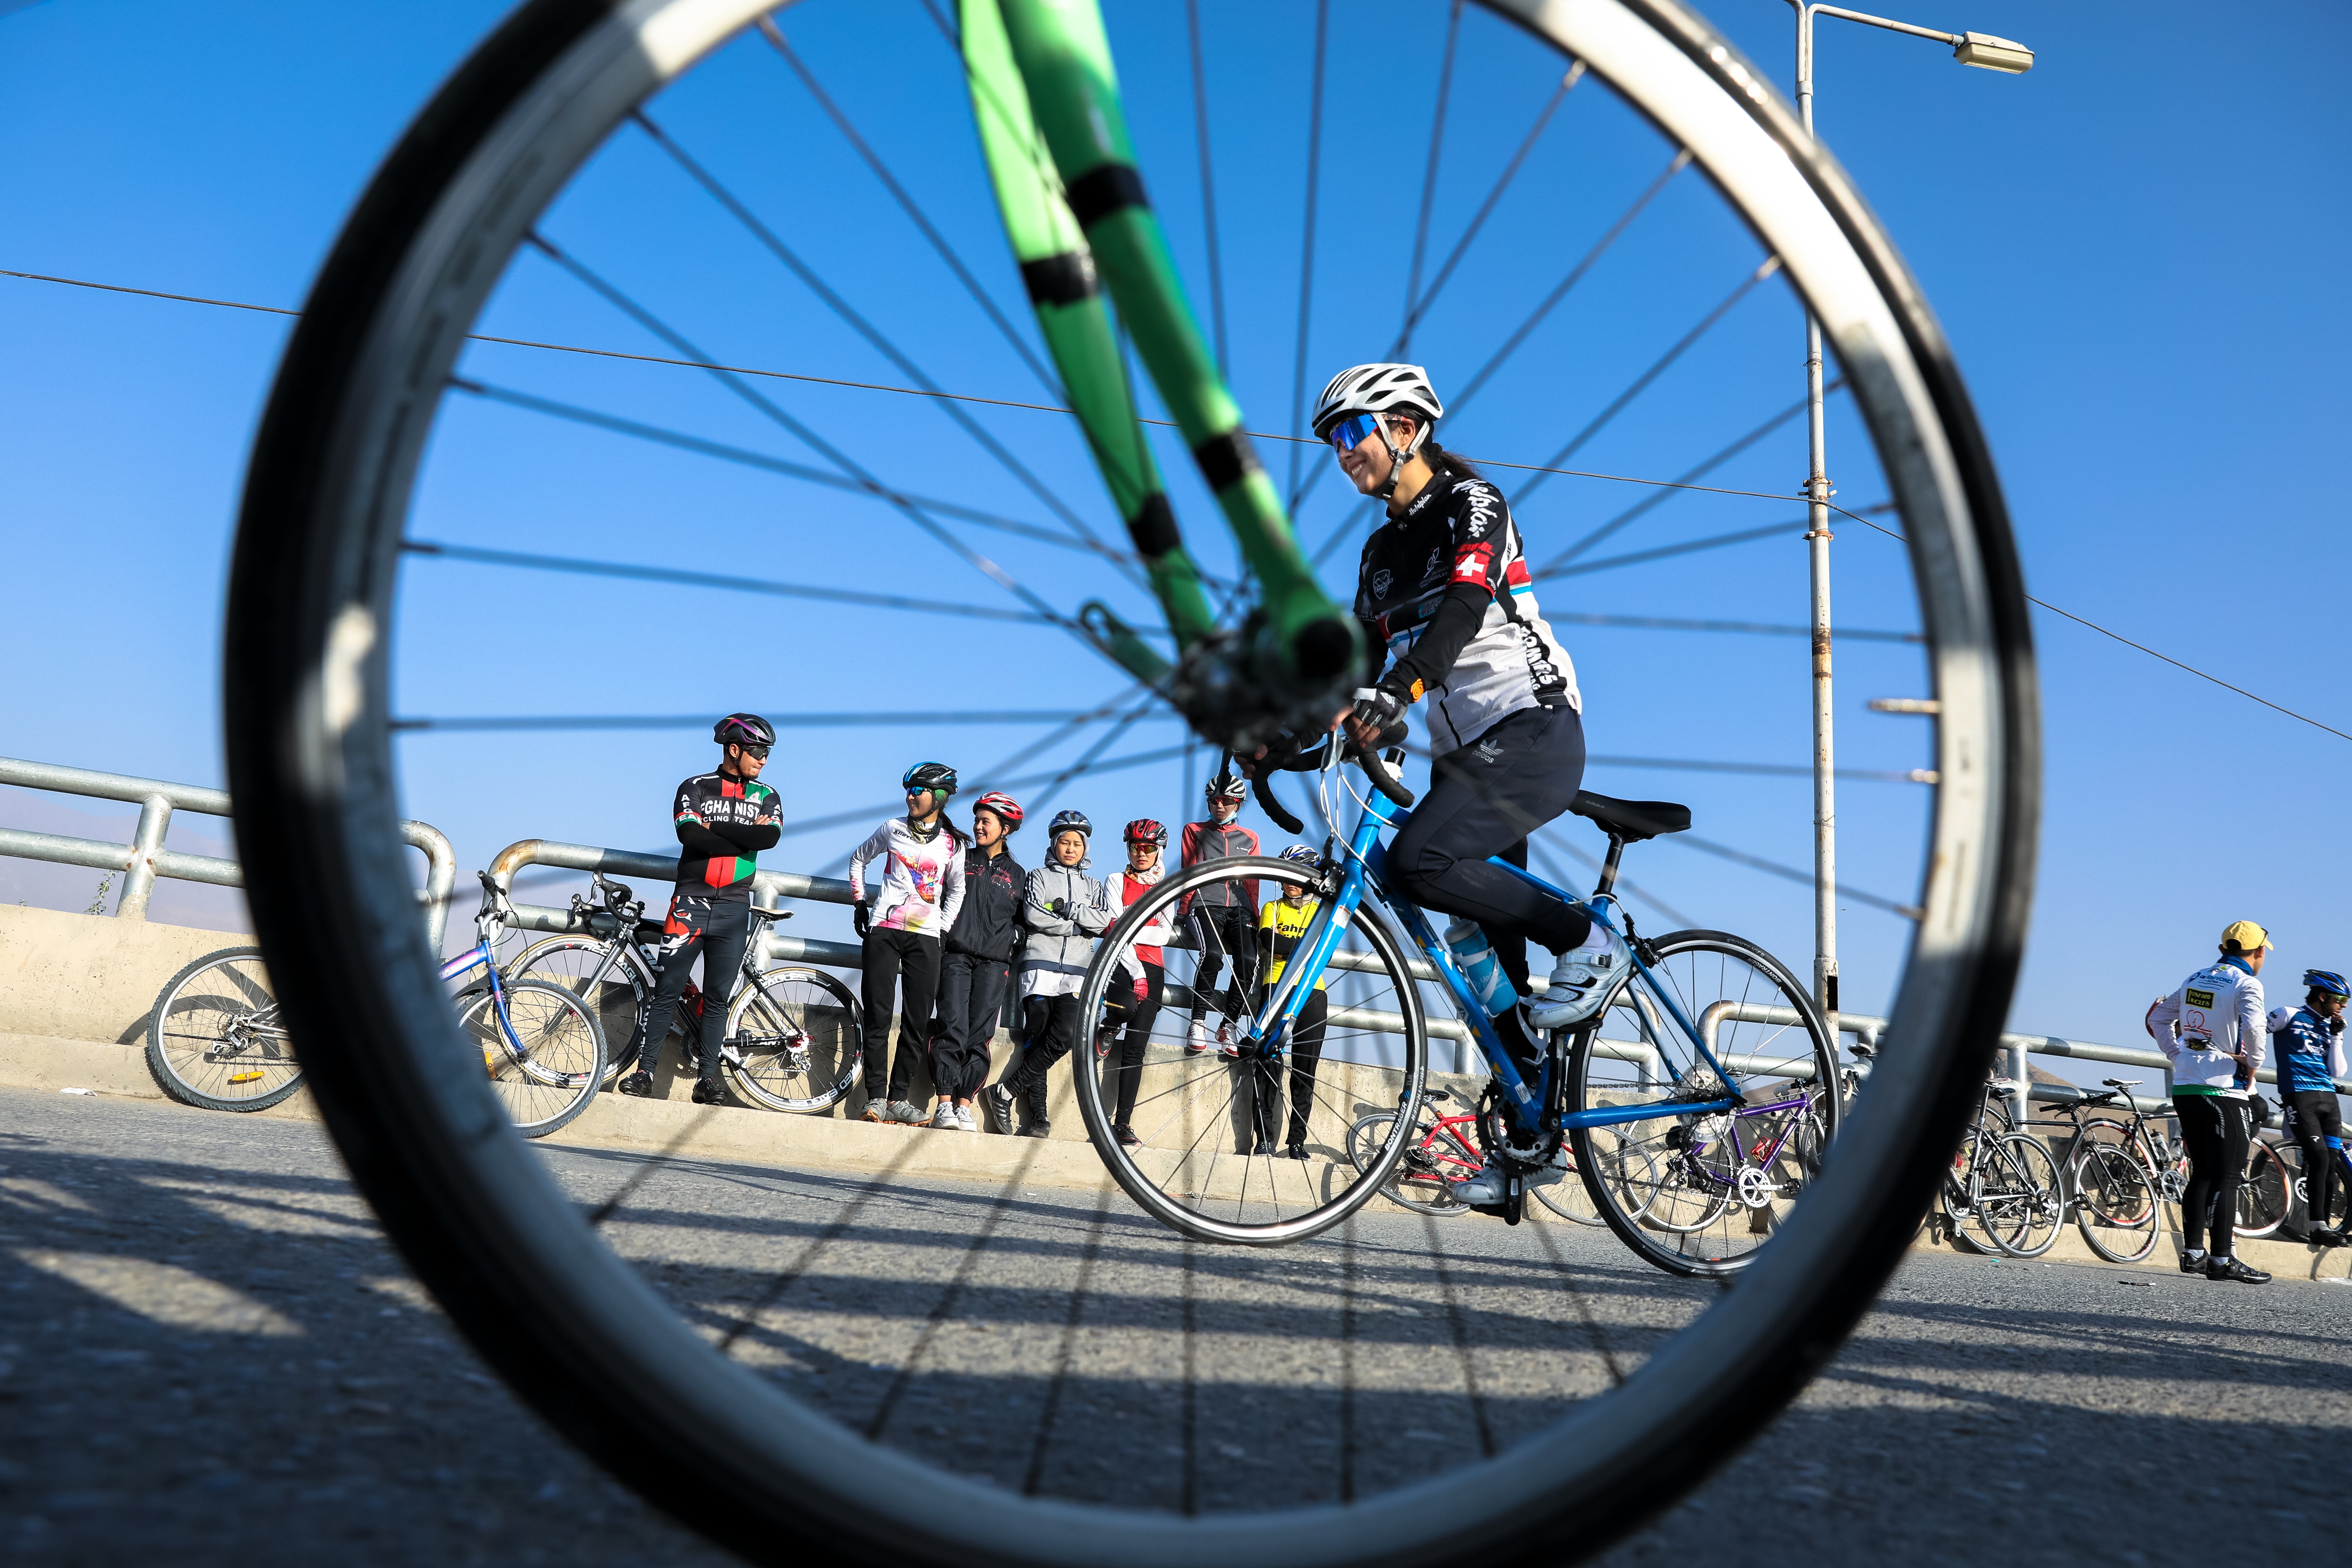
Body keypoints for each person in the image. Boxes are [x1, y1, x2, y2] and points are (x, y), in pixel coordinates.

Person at [1290, 362, 1608, 1205]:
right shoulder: (1377, 552)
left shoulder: (1474, 504)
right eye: (1331, 440)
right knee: (1483, 958)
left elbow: (1465, 608)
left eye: (1352, 431)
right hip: (1466, 758)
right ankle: (1531, 1125)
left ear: (1406, 427)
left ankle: (1584, 938)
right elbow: (1355, 667)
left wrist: (1400, 688)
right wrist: (1274, 736)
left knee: (1412, 864)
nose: (1341, 451)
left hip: (1534, 726)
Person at [616, 714, 782, 1106]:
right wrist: (741, 839)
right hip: (690, 902)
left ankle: (708, 1079)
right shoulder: (695, 786)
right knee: (667, 991)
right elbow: (689, 834)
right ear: (734, 748)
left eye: (768, 753)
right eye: (758, 751)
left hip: (734, 908)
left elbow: (769, 837)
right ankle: (645, 1072)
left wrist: (715, 832)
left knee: (718, 997)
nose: (763, 760)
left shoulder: (768, 795)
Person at [2148, 920, 2274, 1283]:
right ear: (2259, 953)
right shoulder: (2248, 983)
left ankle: (2192, 1254)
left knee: (2202, 1171)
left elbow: (2158, 1016)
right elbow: (2253, 1027)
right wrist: (2253, 1065)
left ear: (2224, 949)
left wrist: (2176, 1053)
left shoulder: (2195, 978)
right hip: (2222, 1088)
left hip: (2186, 1086)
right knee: (2229, 1176)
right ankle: (2221, 1259)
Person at [847, 762, 967, 1126]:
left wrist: (942, 929)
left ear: (940, 797)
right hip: (884, 929)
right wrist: (859, 903)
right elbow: (858, 859)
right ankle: (876, 1099)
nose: (910, 796)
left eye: (919, 790)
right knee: (879, 1017)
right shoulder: (891, 828)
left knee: (916, 1021)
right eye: (909, 790)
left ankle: (899, 1099)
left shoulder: (954, 843)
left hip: (927, 938)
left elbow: (958, 888)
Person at [986, 811, 1113, 1137]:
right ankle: (1039, 1119)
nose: (1070, 849)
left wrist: (1068, 909)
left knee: (1067, 1035)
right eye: (1064, 842)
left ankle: (1004, 1091)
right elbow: (1033, 915)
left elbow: (1102, 923)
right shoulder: (1038, 876)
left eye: (1077, 844)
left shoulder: (1094, 886)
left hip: (1078, 970)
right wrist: (1075, 925)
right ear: (1054, 844)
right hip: (1039, 964)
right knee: (1037, 1038)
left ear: (1085, 848)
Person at [927, 792, 1027, 1134]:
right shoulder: (960, 858)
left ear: (1006, 829)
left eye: (986, 821)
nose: (978, 826)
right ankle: (943, 1103)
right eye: (977, 820)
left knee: (980, 1035)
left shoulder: (1018, 874)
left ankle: (964, 1103)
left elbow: (1023, 921)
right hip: (955, 954)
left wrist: (1013, 937)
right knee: (951, 1025)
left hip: (994, 963)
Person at [1248, 844, 1331, 1161]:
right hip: (1275, 987)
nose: (1289, 882)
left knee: (1305, 1070)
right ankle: (1265, 1139)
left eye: (1296, 876)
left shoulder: (1322, 909)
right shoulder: (1272, 907)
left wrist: (1290, 946)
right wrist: (1300, 946)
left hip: (1313, 991)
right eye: (1284, 876)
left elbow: (1318, 947)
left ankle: (1296, 1141)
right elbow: (1269, 942)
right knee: (1267, 1063)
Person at [1099, 819, 1175, 1149]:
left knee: (1136, 1049)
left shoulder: (1167, 887)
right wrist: (1136, 970)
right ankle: (1109, 1025)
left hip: (1154, 968)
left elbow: (1165, 934)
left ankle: (1123, 1124)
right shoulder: (1115, 880)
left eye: (1148, 848)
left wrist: (1130, 927)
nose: (1141, 853)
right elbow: (1116, 934)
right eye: (1135, 847)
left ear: (1160, 851)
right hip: (1122, 965)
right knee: (1126, 1008)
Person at [1179, 771, 1260, 1054]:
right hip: (1205, 903)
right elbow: (1190, 870)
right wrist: (1183, 906)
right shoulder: (1194, 830)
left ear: (1238, 804)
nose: (1219, 805)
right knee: (1212, 954)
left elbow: (1252, 881)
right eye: (1213, 800)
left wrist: (1256, 915)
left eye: (1226, 800)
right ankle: (1198, 1021)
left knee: (1249, 959)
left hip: (1239, 908)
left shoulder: (1250, 838)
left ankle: (1229, 1024)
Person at [2268, 968, 2350, 1245]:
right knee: (2318, 1158)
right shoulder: (2287, 1014)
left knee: (2330, 1164)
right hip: (2299, 1096)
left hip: (2328, 1098)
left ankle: (2322, 1227)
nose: (2343, 1007)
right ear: (2322, 995)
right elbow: (2251, 1031)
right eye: (2340, 1000)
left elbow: (2338, 1071)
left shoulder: (2328, 1026)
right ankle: (2318, 1225)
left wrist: (2337, 1036)